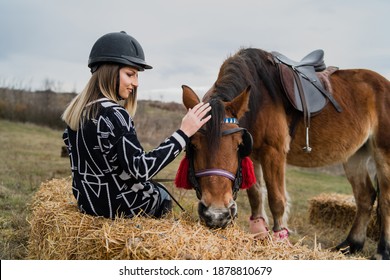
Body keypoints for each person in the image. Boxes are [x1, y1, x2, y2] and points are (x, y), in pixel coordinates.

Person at [62, 31, 211, 219]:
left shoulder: (79, 112)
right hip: (120, 210)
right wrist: (183, 133)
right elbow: (142, 170)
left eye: (137, 76)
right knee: (162, 194)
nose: (136, 83)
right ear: (109, 71)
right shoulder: (115, 114)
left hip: (88, 205)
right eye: (130, 74)